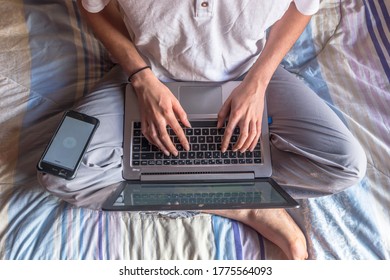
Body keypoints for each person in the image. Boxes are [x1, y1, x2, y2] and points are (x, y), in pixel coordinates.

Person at [38, 0, 367, 260]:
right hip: (146, 75)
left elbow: (303, 7)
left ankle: (225, 191)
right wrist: (141, 77)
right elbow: (92, 7)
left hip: (248, 75)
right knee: (59, 172)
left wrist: (259, 81)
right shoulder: (141, 76)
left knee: (345, 165)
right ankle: (240, 203)